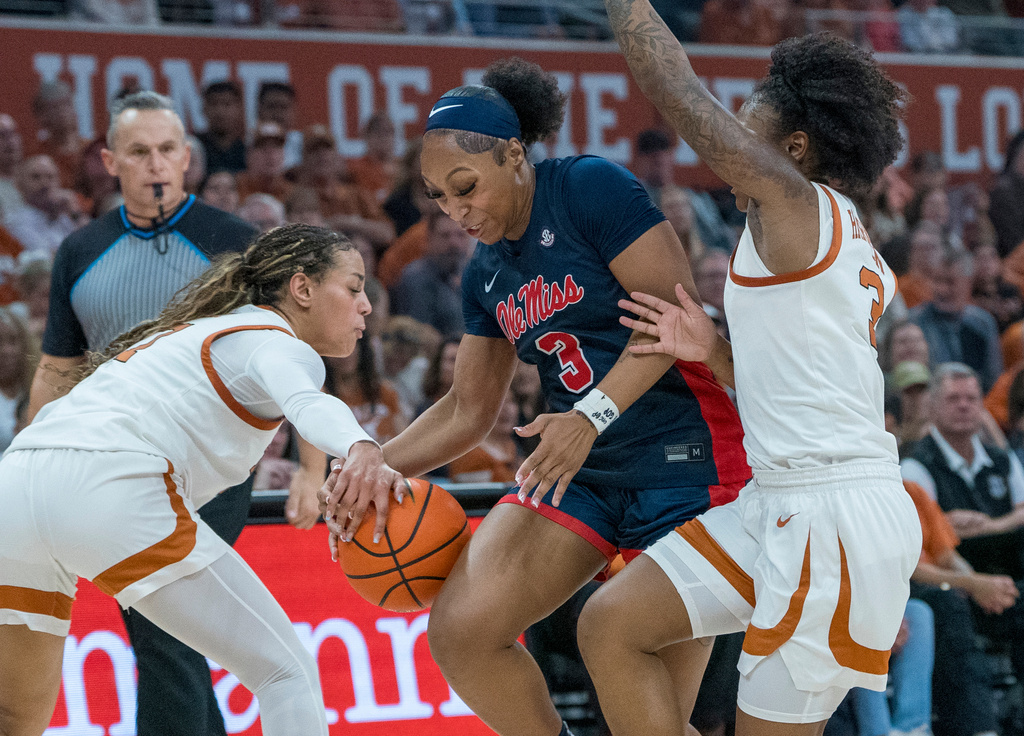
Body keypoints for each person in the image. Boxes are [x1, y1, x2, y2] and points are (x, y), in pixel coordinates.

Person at [322, 57, 750, 736]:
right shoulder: (485, 272)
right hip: (579, 468)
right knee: (461, 633)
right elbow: (468, 409)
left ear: (515, 155)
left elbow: (676, 322)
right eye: (438, 197)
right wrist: (375, 459)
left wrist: (591, 415)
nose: (457, 211)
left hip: (686, 460)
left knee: (650, 722)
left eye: (466, 187)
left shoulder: (588, 187)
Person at [582, 10, 921, 736]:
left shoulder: (795, 206)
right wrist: (712, 349)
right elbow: (797, 380)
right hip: (779, 500)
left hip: (831, 516)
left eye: (748, 119)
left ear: (792, 147)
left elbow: (675, 89)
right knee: (612, 624)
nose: (729, 131)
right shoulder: (827, 232)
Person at [0, 223, 404, 736]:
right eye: (353, 287)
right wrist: (361, 446)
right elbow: (308, 404)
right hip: (107, 484)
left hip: (16, 481)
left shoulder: (195, 333)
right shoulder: (274, 339)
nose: (366, 305)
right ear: (302, 289)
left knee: (14, 717)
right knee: (285, 673)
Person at [24, 90, 322, 736]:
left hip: (211, 467)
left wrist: (311, 468)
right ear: (110, 161)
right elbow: (56, 368)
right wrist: (25, 463)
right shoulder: (80, 251)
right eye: (139, 152)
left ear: (187, 158)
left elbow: (297, 353)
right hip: (113, 467)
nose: (155, 164)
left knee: (163, 635)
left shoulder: (235, 242)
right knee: (171, 639)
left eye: (167, 150)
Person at [903, 477, 1015, 736]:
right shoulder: (872, 495)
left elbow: (946, 554)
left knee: (1014, 597)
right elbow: (907, 567)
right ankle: (977, 727)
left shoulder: (912, 490)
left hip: (946, 585)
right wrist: (972, 584)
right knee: (947, 603)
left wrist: (979, 584)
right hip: (905, 589)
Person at [911, 249, 1002, 393]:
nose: (942, 289)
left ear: (968, 282)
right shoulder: (914, 323)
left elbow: (993, 381)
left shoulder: (983, 323)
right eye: (937, 280)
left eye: (950, 282)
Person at [390, 207, 474, 338]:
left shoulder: (473, 274)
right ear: (429, 239)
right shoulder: (416, 278)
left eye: (460, 235)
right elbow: (421, 336)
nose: (454, 243)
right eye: (445, 235)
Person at [4, 155, 80, 257]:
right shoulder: (15, 220)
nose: (44, 183)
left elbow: (92, 244)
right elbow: (46, 257)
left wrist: (74, 211)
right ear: (20, 185)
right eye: (36, 177)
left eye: (50, 177)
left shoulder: (66, 216)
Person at [196, 80, 246, 174]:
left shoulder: (247, 152)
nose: (220, 111)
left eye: (227, 104)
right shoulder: (193, 149)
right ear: (203, 109)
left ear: (239, 109)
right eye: (214, 104)